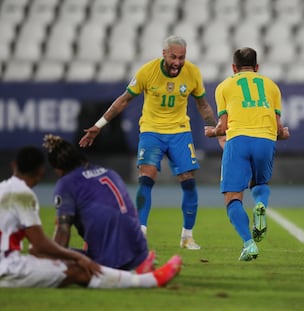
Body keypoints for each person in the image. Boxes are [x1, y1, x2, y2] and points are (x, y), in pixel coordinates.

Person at [79, 35, 218, 250]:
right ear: (164, 54)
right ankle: (140, 231)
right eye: (173, 57)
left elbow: (203, 104)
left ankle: (187, 236)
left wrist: (213, 127)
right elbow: (124, 100)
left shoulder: (192, 72)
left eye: (182, 58)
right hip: (152, 131)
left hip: (180, 131)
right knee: (147, 176)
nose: (178, 62)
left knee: (188, 180)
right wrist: (99, 125)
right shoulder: (147, 72)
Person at [0, 146, 182, 288]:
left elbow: (48, 242)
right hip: (9, 268)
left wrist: (73, 256)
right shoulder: (108, 172)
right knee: (79, 269)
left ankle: (141, 272)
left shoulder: (3, 188)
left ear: (13, 165)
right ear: (41, 171)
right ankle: (148, 278)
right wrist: (79, 257)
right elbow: (40, 244)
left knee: (67, 262)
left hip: (9, 265)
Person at [205, 47, 290, 261]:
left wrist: (212, 132)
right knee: (260, 183)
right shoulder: (272, 86)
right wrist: (284, 133)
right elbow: (279, 129)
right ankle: (260, 204)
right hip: (265, 140)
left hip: (238, 141)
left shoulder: (224, 86)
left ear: (234, 68)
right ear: (257, 67)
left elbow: (223, 128)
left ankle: (249, 243)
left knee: (232, 197)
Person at [42, 134, 155, 273]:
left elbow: (63, 231)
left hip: (110, 259)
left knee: (42, 254)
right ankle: (139, 266)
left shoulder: (66, 184)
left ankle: (121, 274)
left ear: (57, 169)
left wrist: (51, 263)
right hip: (140, 251)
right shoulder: (109, 172)